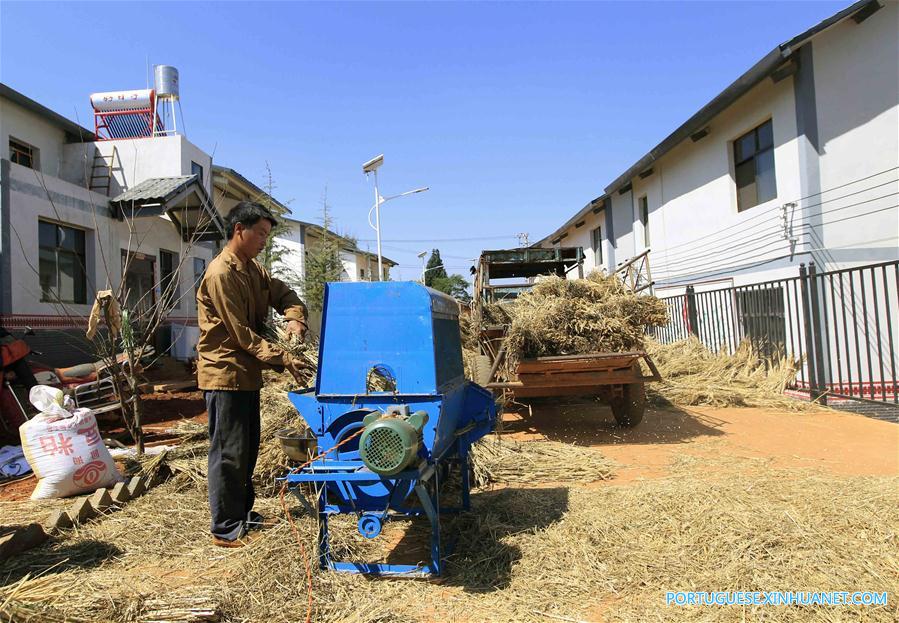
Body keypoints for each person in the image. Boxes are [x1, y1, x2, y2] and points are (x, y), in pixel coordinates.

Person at [196, 201, 308, 547]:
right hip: (224, 374)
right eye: (260, 233)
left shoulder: (253, 270)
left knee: (246, 450)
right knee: (228, 452)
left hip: (246, 375)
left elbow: (283, 293)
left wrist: (294, 317)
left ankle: (242, 514)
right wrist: (284, 358)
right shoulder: (221, 273)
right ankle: (225, 528)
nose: (264, 240)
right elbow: (240, 333)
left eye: (267, 235)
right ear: (238, 230)